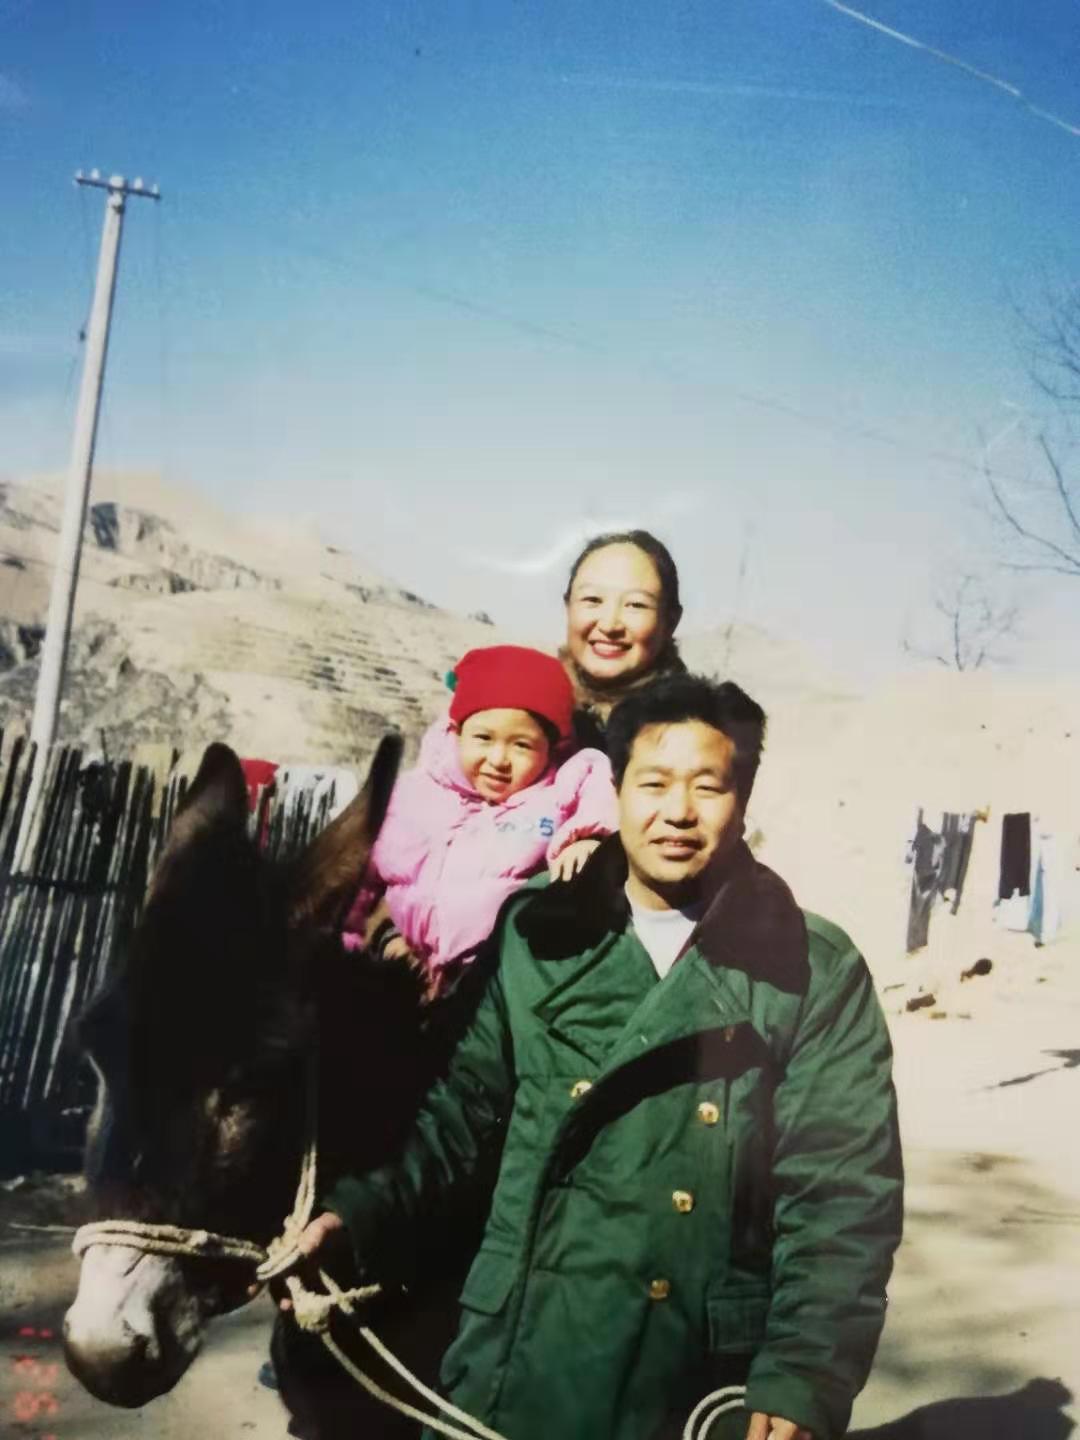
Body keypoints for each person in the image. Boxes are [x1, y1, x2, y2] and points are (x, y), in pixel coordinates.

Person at [295, 673, 903, 1440]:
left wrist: (805, 1375)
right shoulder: (537, 932)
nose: (677, 811)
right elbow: (460, 1119)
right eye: (653, 783)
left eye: (707, 786)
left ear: (743, 800)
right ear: (615, 791)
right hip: (515, 1361)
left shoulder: (810, 967)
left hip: (692, 1385)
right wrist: (358, 1213)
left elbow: (842, 1194)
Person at [342, 644, 618, 998]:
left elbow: (595, 780)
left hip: (492, 991)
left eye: (522, 745)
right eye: (483, 738)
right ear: (456, 733)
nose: (498, 759)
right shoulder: (410, 796)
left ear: (552, 747)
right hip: (396, 979)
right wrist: (362, 950)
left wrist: (586, 838)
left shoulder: (552, 799)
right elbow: (358, 889)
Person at [560, 529, 687, 748]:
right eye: (592, 600)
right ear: (568, 606)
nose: (609, 625)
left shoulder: (694, 725)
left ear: (671, 620)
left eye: (636, 605)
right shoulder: (527, 707)